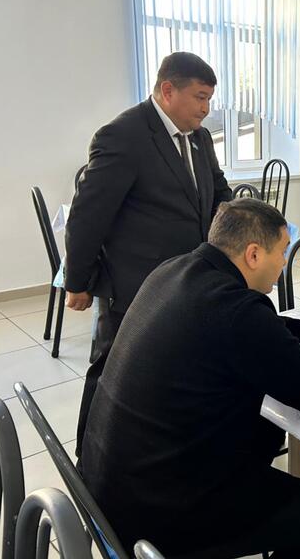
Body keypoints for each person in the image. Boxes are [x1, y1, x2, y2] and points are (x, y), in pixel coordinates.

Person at [81, 199, 300, 558]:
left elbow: (243, 326)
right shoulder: (238, 311)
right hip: (153, 518)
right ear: (253, 255)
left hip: (104, 490)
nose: (285, 262)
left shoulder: (173, 270)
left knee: (267, 428)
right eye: (282, 251)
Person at [65, 52, 232, 454]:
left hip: (186, 278)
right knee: (111, 368)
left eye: (210, 99)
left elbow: (218, 191)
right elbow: (88, 215)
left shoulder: (199, 138)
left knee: (169, 363)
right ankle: (87, 455)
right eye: (200, 98)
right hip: (134, 282)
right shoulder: (124, 135)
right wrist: (78, 282)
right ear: (168, 90)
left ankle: (156, 442)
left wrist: (241, 229)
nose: (206, 109)